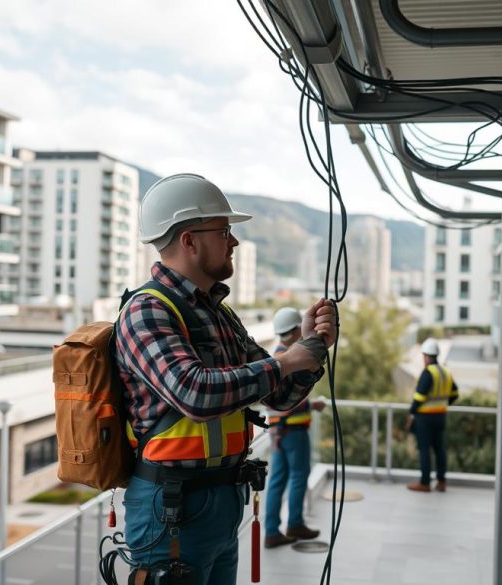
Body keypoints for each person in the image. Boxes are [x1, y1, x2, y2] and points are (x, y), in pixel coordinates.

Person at [116, 173, 337, 585]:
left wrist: (311, 349)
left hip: (221, 499)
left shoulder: (219, 314)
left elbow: (281, 396)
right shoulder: (147, 311)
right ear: (189, 240)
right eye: (224, 231)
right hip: (172, 508)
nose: (233, 241)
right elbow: (194, 392)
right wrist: (288, 361)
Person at [262, 307, 328, 549]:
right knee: (298, 476)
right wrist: (312, 404)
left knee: (278, 480)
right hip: (292, 431)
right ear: (295, 329)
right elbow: (286, 400)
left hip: (280, 431)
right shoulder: (291, 358)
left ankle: (271, 530)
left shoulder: (276, 357)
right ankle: (295, 523)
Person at [406, 338, 459, 493]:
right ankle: (441, 482)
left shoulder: (428, 373)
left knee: (424, 450)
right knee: (439, 449)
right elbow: (455, 393)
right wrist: (443, 403)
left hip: (425, 418)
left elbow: (419, 397)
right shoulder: (445, 371)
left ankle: (425, 483)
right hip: (440, 416)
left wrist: (411, 413)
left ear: (426, 356)